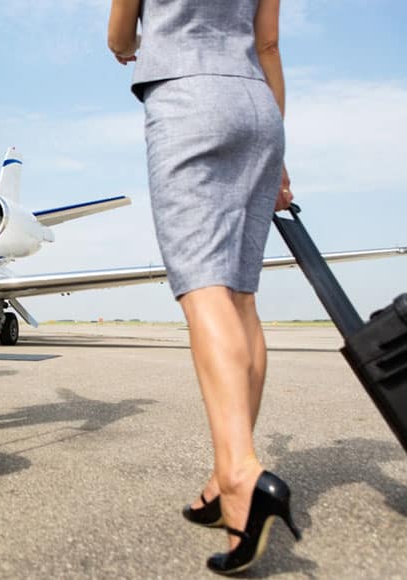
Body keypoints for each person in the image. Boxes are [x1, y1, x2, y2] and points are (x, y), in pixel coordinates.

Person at [108, 0, 299, 573]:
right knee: (242, 294)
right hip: (257, 106)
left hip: (186, 99)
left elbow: (120, 32)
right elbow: (268, 44)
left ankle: (241, 473)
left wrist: (123, 45)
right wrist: (279, 151)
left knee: (202, 284)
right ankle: (224, 475)